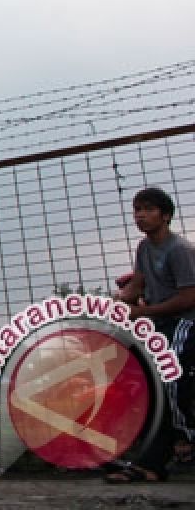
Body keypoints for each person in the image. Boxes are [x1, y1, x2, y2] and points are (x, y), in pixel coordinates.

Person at [107, 186, 195, 483]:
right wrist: (115, 302)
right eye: (136, 210)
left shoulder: (180, 251)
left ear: (166, 215)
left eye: (147, 209)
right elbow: (138, 285)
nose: (140, 216)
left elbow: (188, 299)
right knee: (143, 382)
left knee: (171, 383)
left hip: (185, 322)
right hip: (159, 323)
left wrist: (142, 313)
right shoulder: (145, 247)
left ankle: (180, 443)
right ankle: (152, 461)